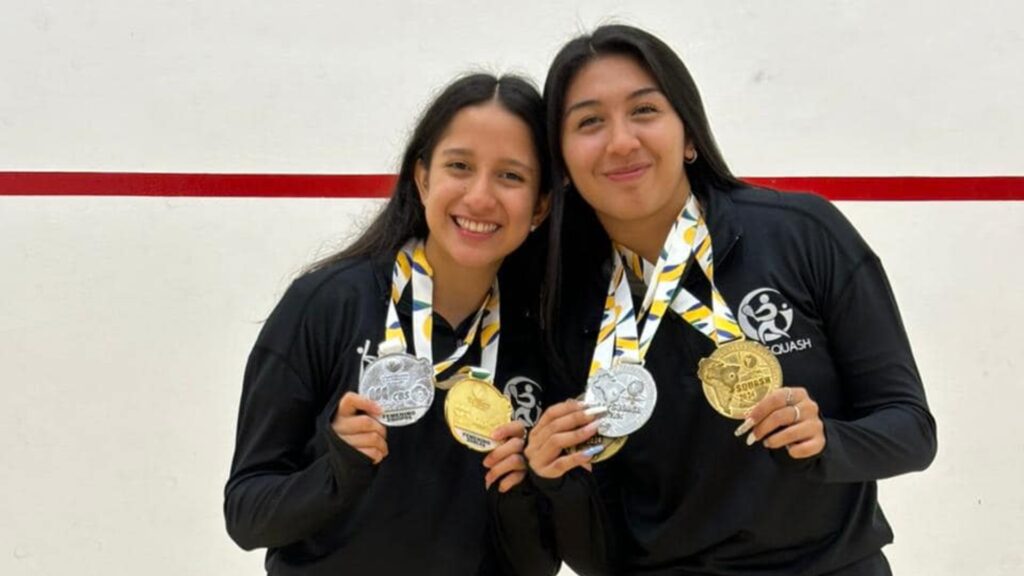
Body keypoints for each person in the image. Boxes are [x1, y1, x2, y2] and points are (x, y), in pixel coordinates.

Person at [524, 25, 937, 576]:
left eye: (644, 110)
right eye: (589, 121)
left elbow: (911, 431)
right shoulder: (561, 302)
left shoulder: (802, 233)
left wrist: (826, 441)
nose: (621, 141)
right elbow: (599, 559)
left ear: (689, 134)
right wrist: (557, 483)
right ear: (563, 162)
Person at [225, 73, 555, 575]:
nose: (481, 197)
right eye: (459, 166)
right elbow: (246, 514)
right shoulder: (326, 302)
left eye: (511, 176)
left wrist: (518, 492)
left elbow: (536, 565)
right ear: (423, 179)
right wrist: (338, 469)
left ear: (542, 205)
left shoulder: (541, 335)